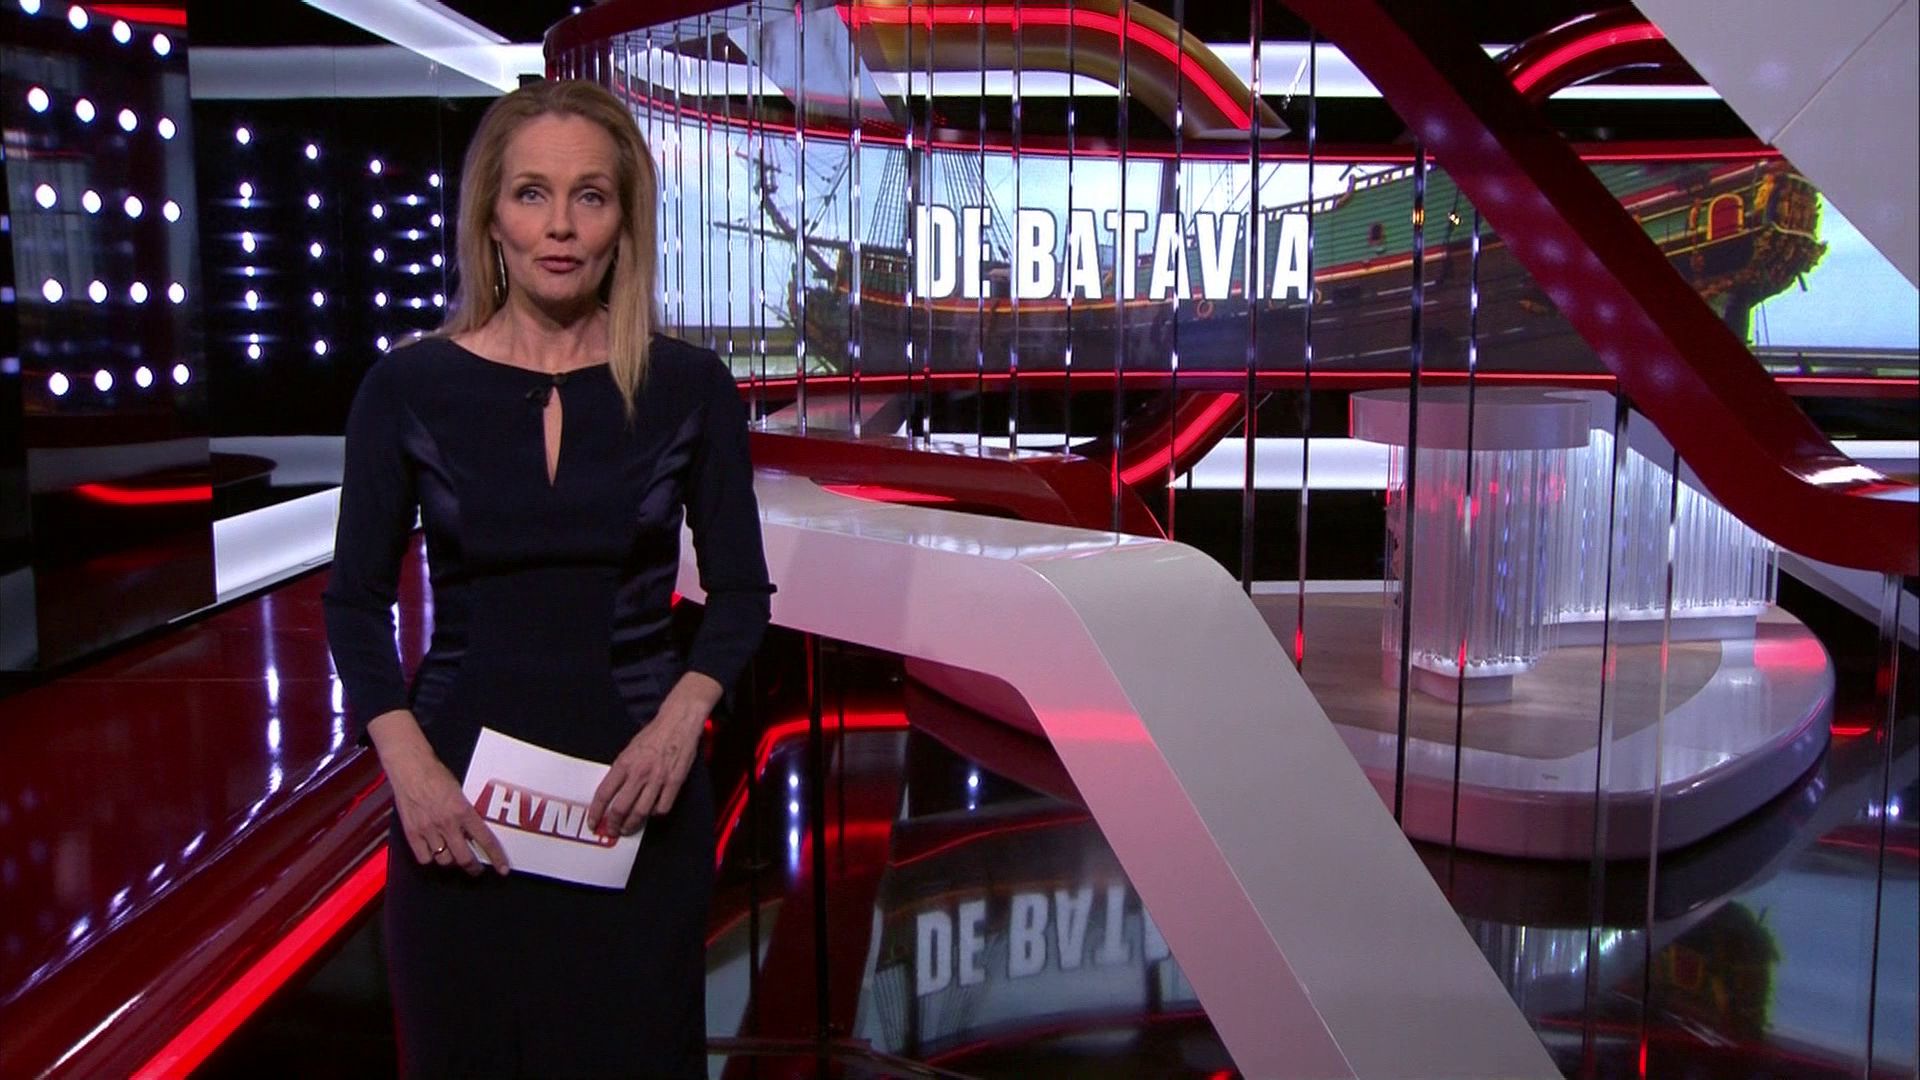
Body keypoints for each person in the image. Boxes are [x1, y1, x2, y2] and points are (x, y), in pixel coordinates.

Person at [322, 79, 774, 1078]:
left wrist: (680, 723)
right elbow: (354, 604)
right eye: (532, 194)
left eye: (590, 196)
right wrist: (411, 774)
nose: (560, 226)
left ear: (625, 220)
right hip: (456, 807)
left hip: (636, 800)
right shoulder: (407, 386)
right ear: (490, 216)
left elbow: (742, 593)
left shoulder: (689, 386)